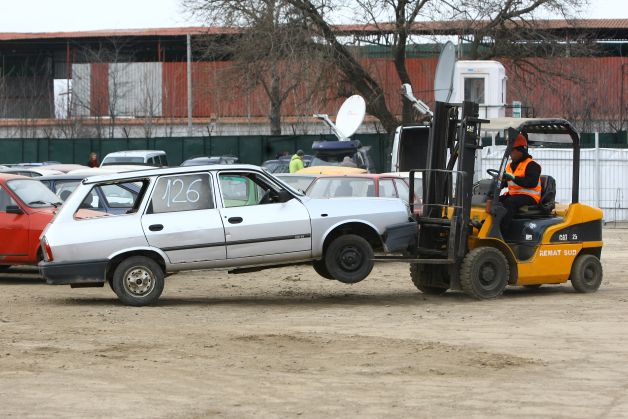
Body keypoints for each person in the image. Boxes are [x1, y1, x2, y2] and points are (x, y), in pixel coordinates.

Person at [498, 133, 542, 232]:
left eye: (512, 151)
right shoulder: (509, 165)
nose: (510, 154)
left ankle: (503, 231)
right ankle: (488, 225)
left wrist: (514, 178)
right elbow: (506, 182)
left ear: (520, 151)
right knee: (496, 201)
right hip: (514, 195)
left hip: (530, 196)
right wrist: (497, 185)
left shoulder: (532, 165)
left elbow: (532, 182)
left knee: (510, 202)